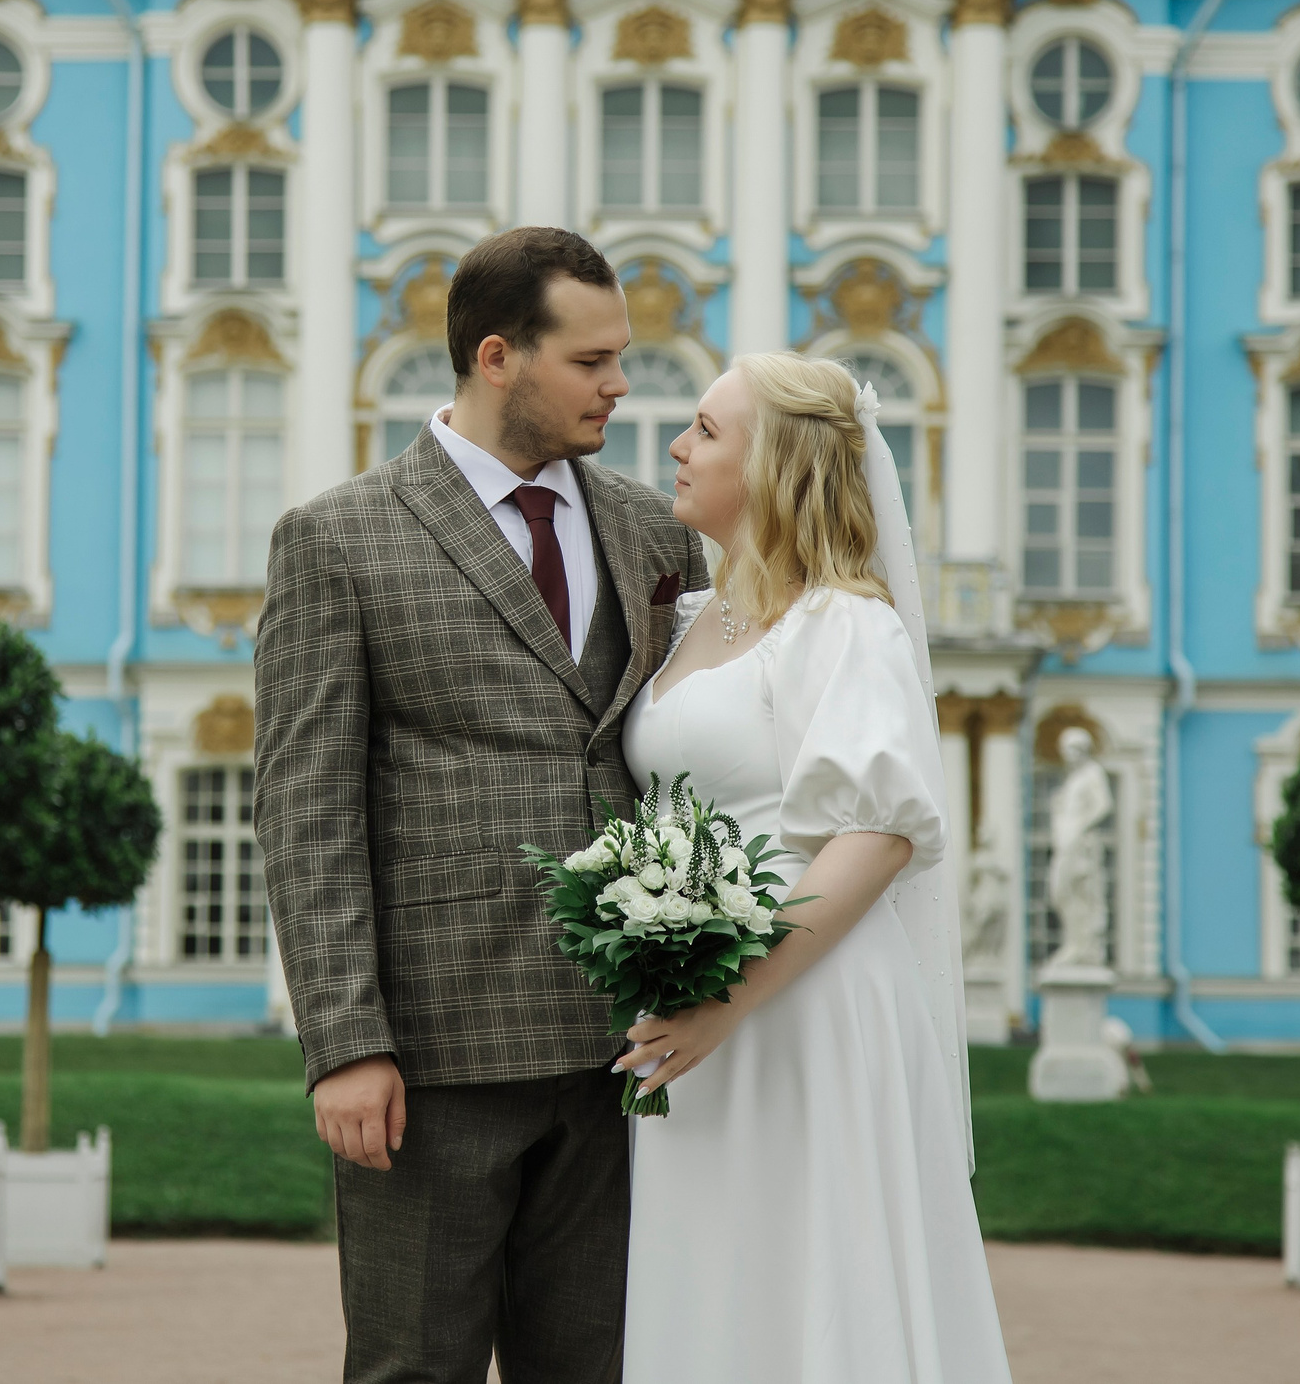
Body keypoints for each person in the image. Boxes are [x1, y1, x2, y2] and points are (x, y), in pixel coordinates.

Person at [254, 225, 707, 1384]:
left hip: (621, 1058)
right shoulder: (337, 539)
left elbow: (689, 765)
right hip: (433, 1056)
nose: (620, 384)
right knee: (415, 1369)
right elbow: (306, 810)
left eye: (621, 358)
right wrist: (345, 1044)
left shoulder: (656, 533)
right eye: (591, 361)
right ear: (496, 356)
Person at [616, 351, 1011, 1383]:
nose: (676, 445)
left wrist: (728, 994)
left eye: (706, 429)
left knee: (815, 1277)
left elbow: (875, 837)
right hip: (696, 1008)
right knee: (713, 1284)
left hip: (804, 1000)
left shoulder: (847, 624)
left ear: (775, 464)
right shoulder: (687, 622)